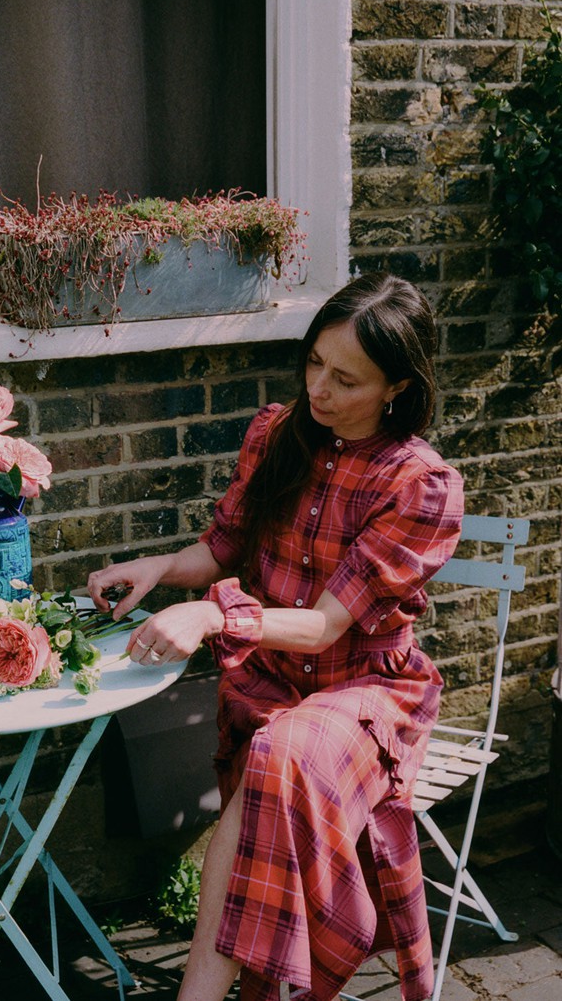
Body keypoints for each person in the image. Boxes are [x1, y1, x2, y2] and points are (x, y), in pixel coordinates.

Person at [87, 272, 465, 1001]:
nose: (318, 388)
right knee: (275, 756)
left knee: (279, 752)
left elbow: (325, 626)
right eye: (314, 362)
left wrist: (213, 616)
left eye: (345, 378)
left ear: (396, 387)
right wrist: (157, 567)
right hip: (275, 688)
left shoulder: (421, 485)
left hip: (366, 691)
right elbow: (224, 547)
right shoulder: (278, 433)